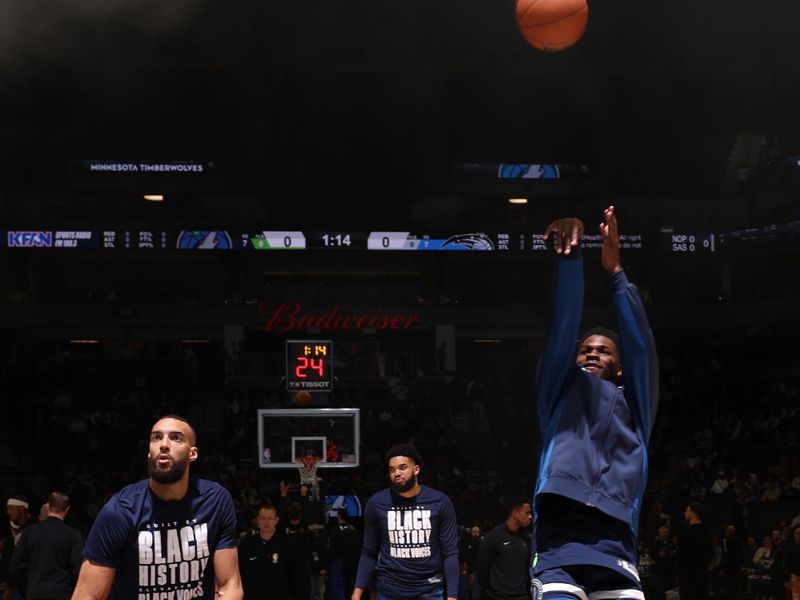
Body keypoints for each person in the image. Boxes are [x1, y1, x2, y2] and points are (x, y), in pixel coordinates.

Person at [530, 206, 659, 600]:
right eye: (585, 350)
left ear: (620, 369)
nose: (591, 354)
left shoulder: (636, 408)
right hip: (558, 542)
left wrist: (616, 276)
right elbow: (562, 324)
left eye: (603, 351)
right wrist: (570, 263)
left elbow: (642, 350)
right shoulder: (558, 393)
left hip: (615, 546)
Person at [72, 415, 243, 600]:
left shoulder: (215, 501)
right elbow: (88, 596)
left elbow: (229, 585)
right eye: (156, 437)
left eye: (176, 438)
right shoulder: (120, 510)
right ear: (149, 452)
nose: (163, 444)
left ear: (192, 453)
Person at [352, 443, 459, 600]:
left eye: (402, 467)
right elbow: (369, 552)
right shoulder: (376, 503)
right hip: (390, 590)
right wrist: (357, 592)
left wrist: (452, 596)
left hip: (430, 589)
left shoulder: (441, 502)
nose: (397, 473)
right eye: (392, 469)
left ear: (416, 469)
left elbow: (450, 552)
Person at [8, 491, 83, 600]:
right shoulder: (73, 535)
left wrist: (28, 589)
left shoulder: (29, 532)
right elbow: (78, 570)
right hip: (62, 593)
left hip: (34, 593)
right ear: (67, 510)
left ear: (49, 507)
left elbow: (15, 567)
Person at [238, 504, 309, 600]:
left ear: (276, 520)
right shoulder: (246, 546)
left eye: (269, 518)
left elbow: (297, 577)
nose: (266, 522)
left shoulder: (288, 546)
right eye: (263, 518)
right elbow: (241, 575)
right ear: (257, 520)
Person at [476, 496, 532, 600]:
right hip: (497, 597)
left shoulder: (527, 539)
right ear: (515, 513)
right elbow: (482, 572)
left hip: (522, 597)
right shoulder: (492, 537)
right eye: (527, 513)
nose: (530, 516)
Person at [676, 502, 713, 600]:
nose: (685, 513)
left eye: (687, 511)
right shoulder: (707, 532)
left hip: (687, 576)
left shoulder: (685, 533)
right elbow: (711, 553)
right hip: (702, 575)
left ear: (693, 513)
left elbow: (680, 555)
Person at [328, 510, 360, 600]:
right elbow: (358, 545)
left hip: (338, 561)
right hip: (352, 561)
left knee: (338, 585)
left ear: (339, 516)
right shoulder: (353, 529)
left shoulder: (335, 529)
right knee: (349, 584)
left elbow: (332, 547)